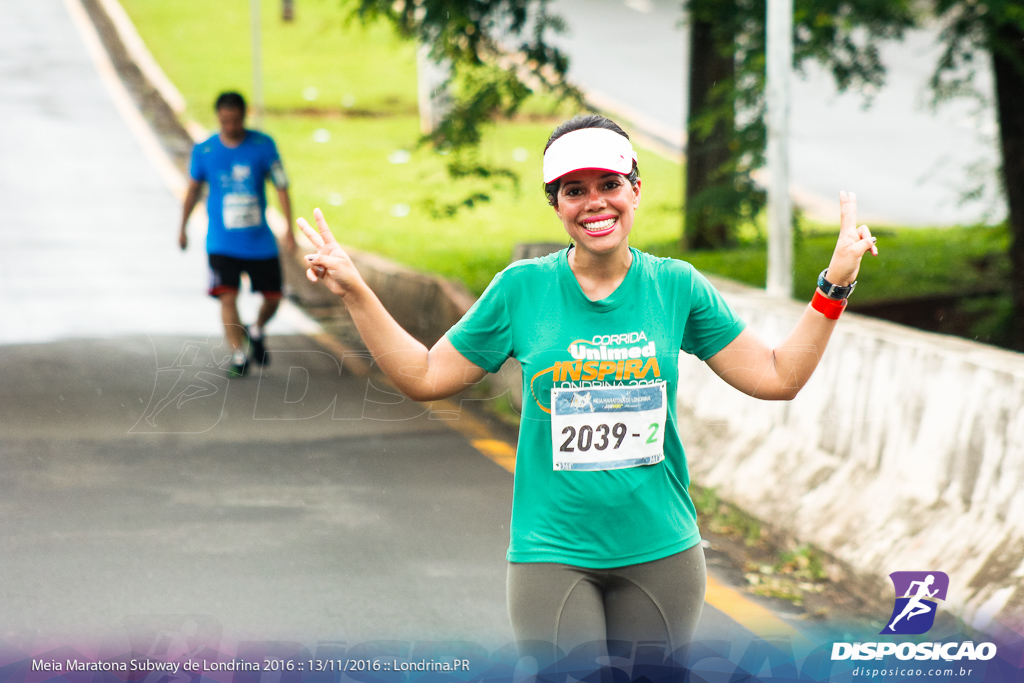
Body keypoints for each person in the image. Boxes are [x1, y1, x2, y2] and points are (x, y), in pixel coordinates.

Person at [296, 114, 877, 663]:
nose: (594, 201)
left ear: (636, 190)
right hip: (552, 553)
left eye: (608, 183)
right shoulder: (521, 290)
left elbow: (779, 377)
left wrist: (835, 284)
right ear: (557, 206)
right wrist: (353, 290)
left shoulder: (676, 286)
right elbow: (425, 376)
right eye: (573, 190)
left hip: (662, 551)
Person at [179, 91, 296, 378]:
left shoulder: (263, 146)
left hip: (259, 241)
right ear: (219, 118)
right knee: (226, 297)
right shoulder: (205, 150)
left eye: (235, 121)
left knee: (273, 296)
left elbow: (281, 185)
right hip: (221, 241)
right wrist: (181, 227)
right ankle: (239, 352)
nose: (230, 127)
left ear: (244, 117)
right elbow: (193, 189)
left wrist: (290, 229)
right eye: (225, 121)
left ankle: (256, 328)